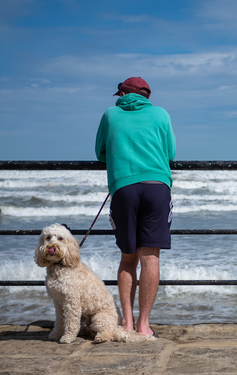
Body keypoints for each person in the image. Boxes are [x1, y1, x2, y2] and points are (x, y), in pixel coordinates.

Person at [95, 77, 176, 337]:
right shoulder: (161, 114)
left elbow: (100, 153)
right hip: (156, 186)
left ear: (121, 93)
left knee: (128, 257)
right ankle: (144, 326)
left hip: (124, 187)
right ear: (148, 95)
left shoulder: (111, 114)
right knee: (150, 258)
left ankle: (127, 323)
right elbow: (171, 153)